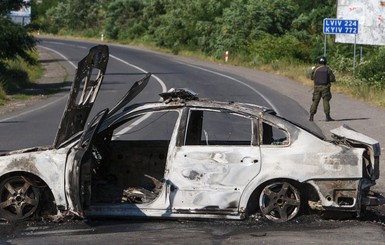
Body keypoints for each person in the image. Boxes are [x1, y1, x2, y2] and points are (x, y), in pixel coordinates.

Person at [309, 56, 336, 121]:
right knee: (326, 101)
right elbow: (332, 79)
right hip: (325, 88)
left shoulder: (315, 69)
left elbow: (312, 78)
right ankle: (327, 117)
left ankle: (311, 116)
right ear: (325, 62)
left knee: (315, 101)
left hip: (317, 87)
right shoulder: (328, 69)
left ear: (319, 62)